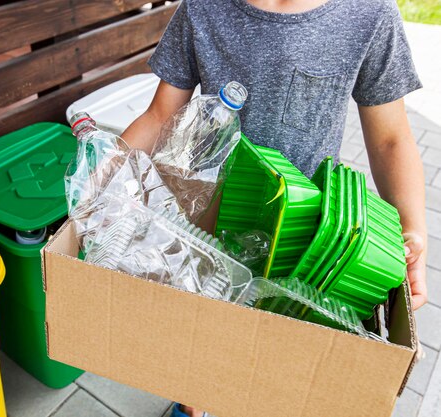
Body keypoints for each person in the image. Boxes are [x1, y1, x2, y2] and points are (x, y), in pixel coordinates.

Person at [121, 1, 428, 416]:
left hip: (306, 241)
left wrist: (413, 231)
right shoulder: (203, 7)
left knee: (275, 364)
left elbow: (392, 139)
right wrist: (103, 174)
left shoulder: (368, 13)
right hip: (209, 225)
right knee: (201, 351)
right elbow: (160, 115)